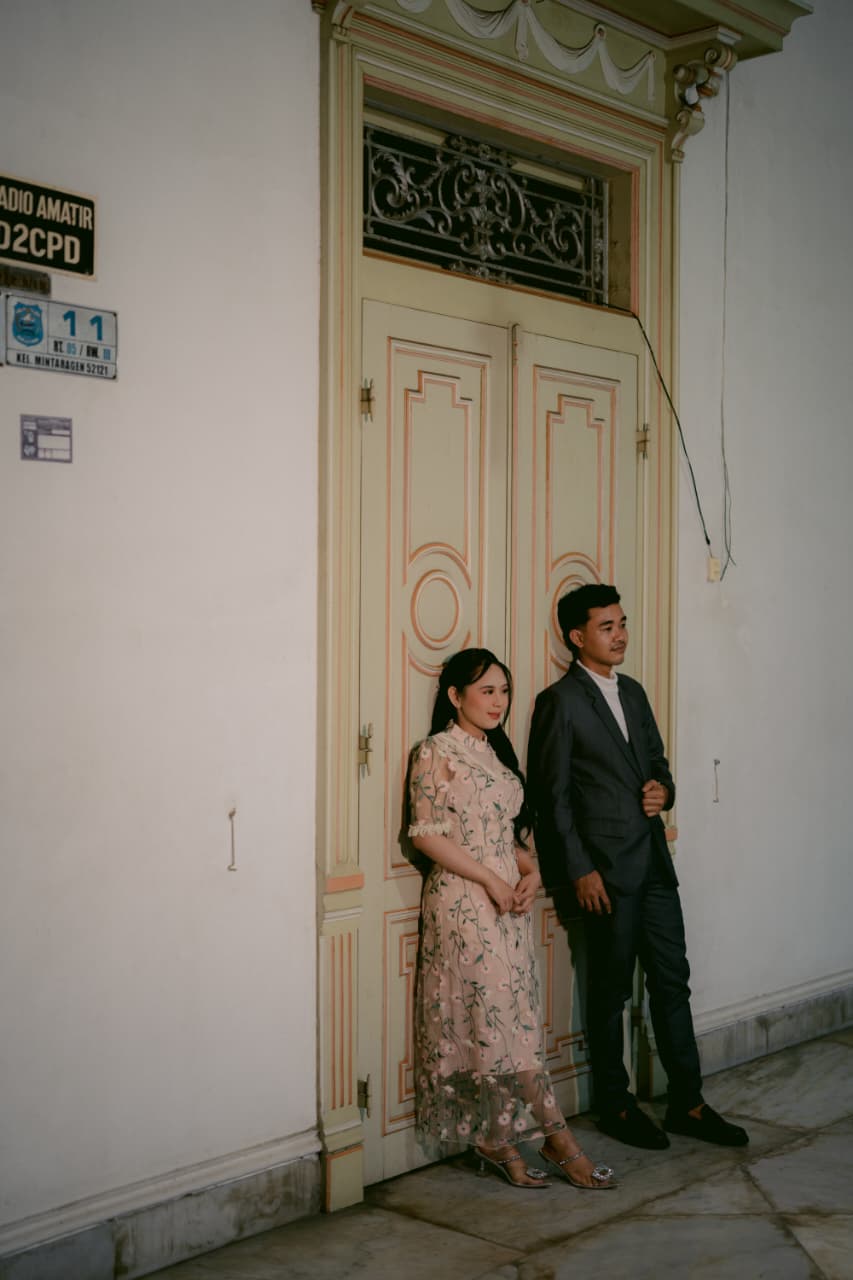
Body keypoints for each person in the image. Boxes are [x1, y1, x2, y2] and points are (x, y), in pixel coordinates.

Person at [527, 584, 748, 1150]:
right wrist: (580, 870)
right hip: (602, 875)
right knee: (609, 993)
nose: (620, 634)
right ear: (577, 637)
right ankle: (616, 1106)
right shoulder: (559, 702)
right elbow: (553, 801)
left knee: (673, 981)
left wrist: (663, 792)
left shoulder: (634, 692)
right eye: (607, 626)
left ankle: (688, 1103)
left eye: (622, 623)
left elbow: (657, 765)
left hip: (652, 866)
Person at [407, 648, 615, 1190]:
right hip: (463, 903)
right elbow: (427, 836)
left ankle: (496, 1140)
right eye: (487, 691)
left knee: (510, 1023)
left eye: (504, 691)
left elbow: (503, 835)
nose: (499, 702)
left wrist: (531, 871)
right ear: (455, 696)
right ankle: (558, 1138)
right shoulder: (435, 752)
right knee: (495, 1022)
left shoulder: (496, 755)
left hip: (506, 906)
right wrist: (491, 880)